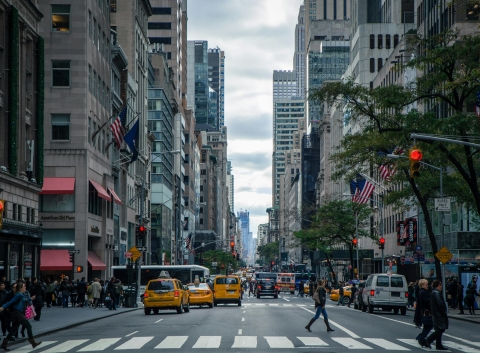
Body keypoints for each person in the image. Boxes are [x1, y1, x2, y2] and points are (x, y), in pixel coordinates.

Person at [0, 280, 42, 350]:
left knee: (13, 329)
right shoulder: (18, 295)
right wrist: (3, 307)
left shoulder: (21, 294)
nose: (25, 287)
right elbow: (11, 302)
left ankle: (4, 344)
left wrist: (30, 298)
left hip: (17, 313)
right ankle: (32, 341)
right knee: (28, 326)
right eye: (24, 286)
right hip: (18, 313)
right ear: (20, 288)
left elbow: (24, 300)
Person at [423, 280, 448, 350]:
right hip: (439, 314)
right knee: (441, 329)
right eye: (441, 285)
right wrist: (444, 312)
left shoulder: (433, 292)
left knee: (439, 329)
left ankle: (438, 345)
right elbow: (440, 304)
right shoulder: (437, 293)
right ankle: (428, 340)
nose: (441, 287)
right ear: (438, 285)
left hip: (435, 313)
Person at [414, 279, 433, 347]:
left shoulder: (420, 291)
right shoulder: (423, 292)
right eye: (426, 284)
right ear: (422, 285)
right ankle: (421, 338)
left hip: (423, 311)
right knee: (429, 325)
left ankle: (422, 339)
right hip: (426, 312)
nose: (427, 286)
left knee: (426, 326)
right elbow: (426, 302)